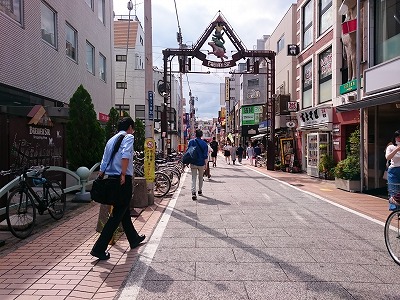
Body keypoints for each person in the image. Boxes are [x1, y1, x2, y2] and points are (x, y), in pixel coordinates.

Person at [91, 117, 145, 260]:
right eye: (132, 129)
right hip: (122, 179)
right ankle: (99, 248)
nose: (132, 131)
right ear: (130, 127)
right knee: (118, 213)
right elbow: (125, 155)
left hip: (110, 178)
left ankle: (133, 239)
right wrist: (123, 173)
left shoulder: (111, 139)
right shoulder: (128, 137)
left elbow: (104, 159)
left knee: (123, 208)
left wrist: (101, 174)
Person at [188, 130, 208, 200]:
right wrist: (206, 164)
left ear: (195, 134)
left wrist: (188, 161)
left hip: (193, 162)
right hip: (201, 163)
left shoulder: (191, 142)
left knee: (193, 178)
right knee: (200, 177)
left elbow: (189, 152)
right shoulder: (204, 144)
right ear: (201, 135)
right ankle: (200, 191)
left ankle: (193, 192)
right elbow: (205, 156)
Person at [385, 130, 400, 208]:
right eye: (397, 137)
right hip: (394, 171)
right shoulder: (391, 147)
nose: (399, 139)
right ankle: (395, 211)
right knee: (394, 191)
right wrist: (397, 149)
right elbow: (388, 157)